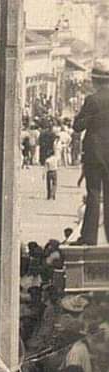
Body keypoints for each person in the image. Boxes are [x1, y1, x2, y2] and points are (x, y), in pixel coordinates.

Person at [74, 59, 109, 245]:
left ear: (95, 80)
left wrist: (90, 118)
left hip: (94, 153)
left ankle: (89, 237)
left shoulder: (92, 100)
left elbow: (77, 126)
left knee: (94, 193)